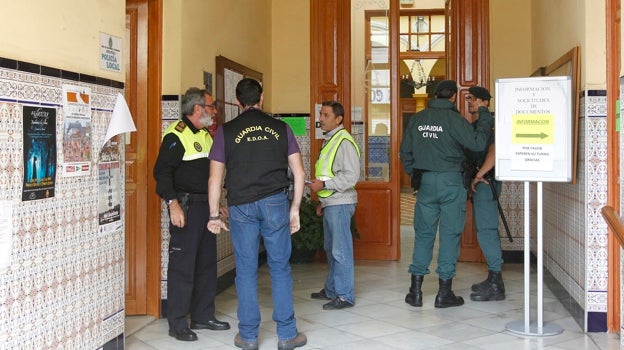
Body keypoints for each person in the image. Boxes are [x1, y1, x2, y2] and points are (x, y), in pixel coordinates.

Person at [207, 78, 307, 350]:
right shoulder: (281, 128)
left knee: (246, 270)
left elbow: (214, 179)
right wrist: (295, 208)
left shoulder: (225, 132)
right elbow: (299, 173)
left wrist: (214, 215)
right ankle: (287, 334)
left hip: (241, 206)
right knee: (279, 267)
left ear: (238, 102)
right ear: (261, 98)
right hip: (275, 203)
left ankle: (248, 336)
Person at [399, 80, 494, 309]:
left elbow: (405, 152)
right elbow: (479, 143)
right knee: (450, 235)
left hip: (426, 183)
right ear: (452, 97)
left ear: (433, 95)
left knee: (423, 235)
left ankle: (415, 292)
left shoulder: (418, 120)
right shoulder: (455, 120)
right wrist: (484, 115)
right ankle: (444, 294)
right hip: (451, 182)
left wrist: (416, 173)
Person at [153, 87, 230, 342]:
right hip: (185, 209)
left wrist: (216, 205)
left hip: (206, 209)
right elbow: (161, 173)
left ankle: (202, 315)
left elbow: (207, 178)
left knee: (207, 264)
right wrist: (173, 204)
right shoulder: (177, 134)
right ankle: (177, 323)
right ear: (197, 109)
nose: (214, 111)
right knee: (183, 267)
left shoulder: (206, 135)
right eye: (211, 107)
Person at [307, 101, 361, 310]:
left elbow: (350, 176)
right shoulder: (331, 140)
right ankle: (331, 289)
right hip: (331, 202)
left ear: (338, 119)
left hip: (340, 203)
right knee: (331, 249)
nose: (321, 118)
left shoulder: (344, 142)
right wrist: (323, 201)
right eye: (321, 114)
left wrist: (324, 185)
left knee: (340, 251)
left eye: (326, 115)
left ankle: (345, 295)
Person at [464, 86, 505, 301]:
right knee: (485, 229)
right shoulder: (481, 124)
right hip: (485, 182)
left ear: (484, 102)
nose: (469, 102)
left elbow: (494, 151)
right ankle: (493, 278)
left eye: (472, 99)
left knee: (487, 230)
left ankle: (496, 284)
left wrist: (479, 176)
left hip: (487, 183)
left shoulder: (489, 124)